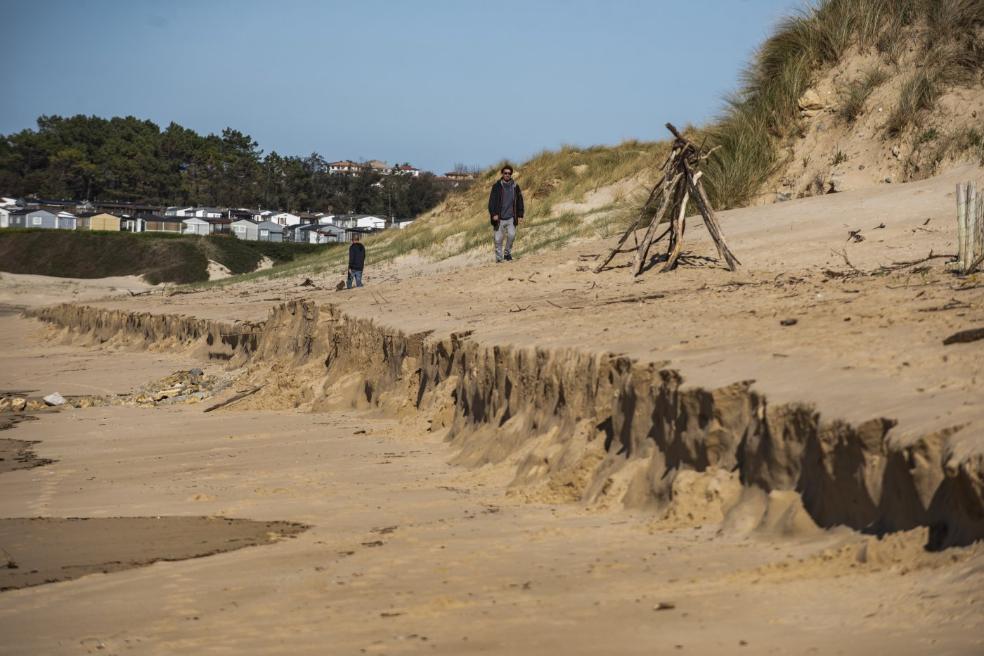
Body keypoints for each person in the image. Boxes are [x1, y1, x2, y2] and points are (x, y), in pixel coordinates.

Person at [488, 165, 524, 263]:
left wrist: (520, 215)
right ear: (502, 174)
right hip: (499, 218)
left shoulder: (515, 186)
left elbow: (520, 201)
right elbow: (491, 202)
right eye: (505, 173)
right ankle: (499, 259)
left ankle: (507, 253)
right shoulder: (496, 187)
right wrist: (493, 214)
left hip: (511, 217)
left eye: (509, 173)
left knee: (512, 235)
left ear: (511, 174)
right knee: (498, 239)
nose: (507, 175)